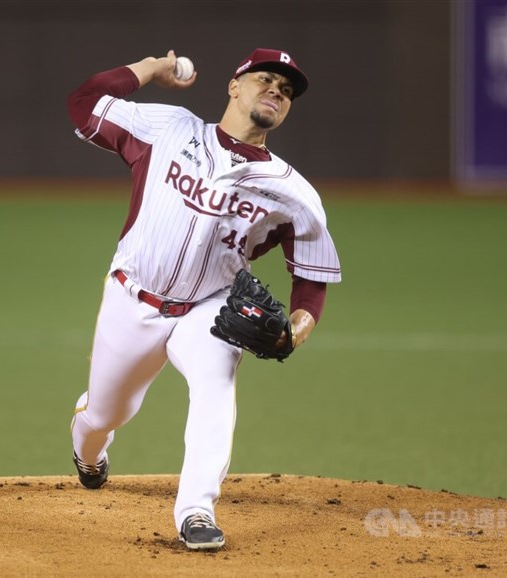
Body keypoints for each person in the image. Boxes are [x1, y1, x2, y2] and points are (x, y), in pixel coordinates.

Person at [66, 48, 342, 550]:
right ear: (234, 86)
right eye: (264, 79)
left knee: (216, 384)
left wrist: (294, 333)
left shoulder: (293, 192)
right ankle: (89, 449)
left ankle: (196, 510)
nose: (276, 91)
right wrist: (151, 68)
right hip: (132, 296)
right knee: (105, 415)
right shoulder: (169, 129)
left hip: (210, 306)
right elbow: (84, 104)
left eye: (286, 90)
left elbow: (311, 280)